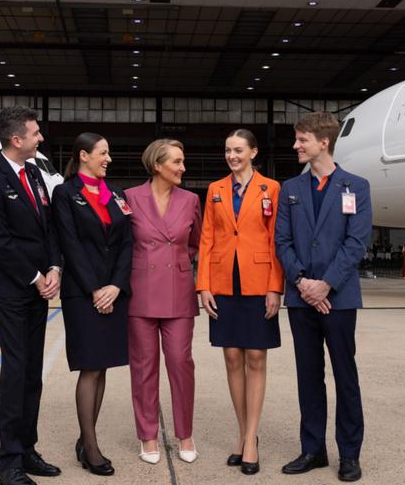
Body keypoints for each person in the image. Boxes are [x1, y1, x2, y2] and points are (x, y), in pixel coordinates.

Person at [274, 111, 372, 482]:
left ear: (323, 142)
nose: (296, 146)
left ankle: (349, 453)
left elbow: (356, 242)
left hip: (339, 298)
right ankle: (313, 449)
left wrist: (326, 284)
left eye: (302, 140)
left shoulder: (356, 186)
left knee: (345, 376)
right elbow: (281, 241)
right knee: (308, 376)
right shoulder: (291, 190)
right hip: (302, 299)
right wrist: (302, 283)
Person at [0, 107, 62, 485]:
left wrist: (55, 267)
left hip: (39, 288)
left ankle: (27, 448)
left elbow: (50, 227)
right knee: (15, 370)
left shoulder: (36, 175)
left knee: (32, 373)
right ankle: (7, 461)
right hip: (12, 290)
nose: (41, 138)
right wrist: (35, 277)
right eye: (35, 133)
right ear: (17, 139)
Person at [197, 129, 283, 475]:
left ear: (253, 152)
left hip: (259, 280)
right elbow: (206, 239)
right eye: (228, 150)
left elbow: (277, 238)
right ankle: (243, 432)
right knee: (232, 357)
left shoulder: (271, 188)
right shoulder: (215, 190)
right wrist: (203, 285)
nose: (232, 156)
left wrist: (276, 287)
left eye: (238, 150)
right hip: (222, 281)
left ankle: (250, 440)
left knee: (256, 357)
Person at [51, 133, 133, 477]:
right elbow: (69, 243)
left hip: (113, 292)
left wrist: (115, 285)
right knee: (89, 367)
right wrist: (95, 289)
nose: (108, 158)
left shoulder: (117, 195)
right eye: (103, 153)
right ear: (83, 155)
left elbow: (128, 242)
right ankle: (91, 445)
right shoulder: (65, 194)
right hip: (82, 295)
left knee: (101, 367)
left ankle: (87, 440)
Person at [124, 139, 202, 465]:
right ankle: (148, 436)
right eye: (177, 162)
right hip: (140, 291)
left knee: (181, 364)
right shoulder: (129, 197)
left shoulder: (191, 199)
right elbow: (122, 244)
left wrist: (179, 265)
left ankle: (185, 433)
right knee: (143, 368)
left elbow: (196, 243)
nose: (183, 168)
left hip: (179, 292)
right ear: (157, 165)